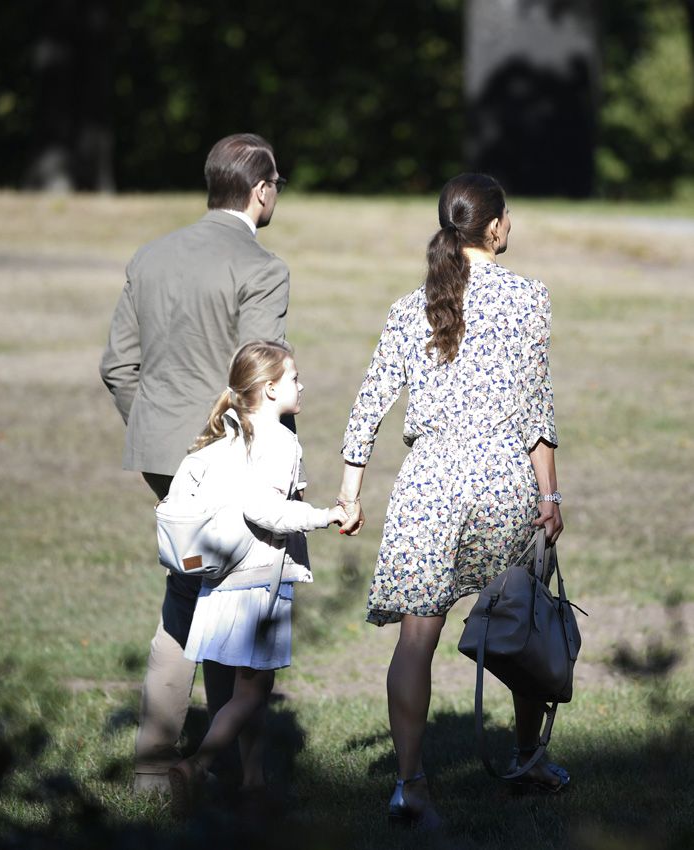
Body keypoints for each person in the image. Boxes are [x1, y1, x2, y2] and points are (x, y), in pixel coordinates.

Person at [337, 173, 566, 826]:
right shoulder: (529, 299)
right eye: (508, 216)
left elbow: (368, 405)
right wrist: (550, 493)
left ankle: (410, 784)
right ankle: (527, 760)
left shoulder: (412, 307)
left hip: (429, 485)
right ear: (494, 228)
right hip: (504, 483)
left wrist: (350, 495)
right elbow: (537, 412)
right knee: (521, 624)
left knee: (416, 640)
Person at [99, 133, 291, 793]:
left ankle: (156, 767)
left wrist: (161, 436)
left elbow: (117, 366)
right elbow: (262, 380)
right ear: (261, 189)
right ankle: (242, 775)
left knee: (189, 594)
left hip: (161, 455)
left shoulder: (150, 257)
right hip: (230, 460)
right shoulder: (261, 267)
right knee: (240, 605)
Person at [165, 340, 347, 817]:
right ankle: (196, 766)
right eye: (293, 378)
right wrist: (326, 515)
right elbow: (264, 510)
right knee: (250, 693)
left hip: (217, 579)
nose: (301, 384)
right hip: (257, 581)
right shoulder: (280, 440)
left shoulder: (226, 437)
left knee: (250, 690)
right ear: (270, 390)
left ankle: (252, 782)